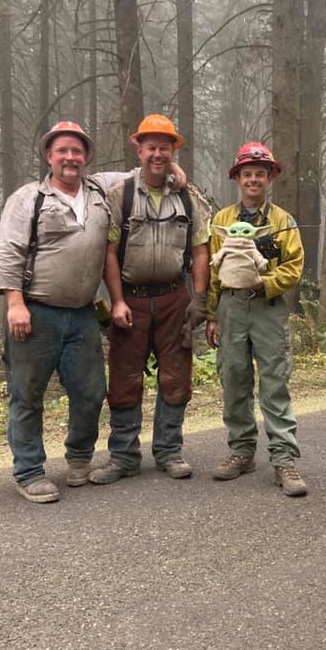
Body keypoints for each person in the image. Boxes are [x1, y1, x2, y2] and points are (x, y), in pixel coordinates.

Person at [0, 121, 135, 503]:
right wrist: (15, 304)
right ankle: (29, 471)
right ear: (48, 156)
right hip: (36, 313)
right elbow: (8, 252)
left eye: (77, 150)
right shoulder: (27, 198)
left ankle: (79, 458)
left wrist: (174, 170)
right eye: (62, 151)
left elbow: (143, 171)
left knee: (90, 391)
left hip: (83, 314)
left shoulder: (101, 190)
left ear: (86, 157)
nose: (71, 157)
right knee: (27, 394)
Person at [89, 114, 211, 484]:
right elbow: (109, 252)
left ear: (174, 151)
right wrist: (117, 301)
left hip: (175, 297)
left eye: (165, 147)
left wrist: (200, 300)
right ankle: (124, 456)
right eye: (151, 146)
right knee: (124, 379)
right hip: (132, 300)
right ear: (138, 149)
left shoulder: (189, 198)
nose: (157, 154)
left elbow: (201, 250)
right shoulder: (120, 195)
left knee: (177, 377)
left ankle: (169, 451)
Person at [206, 142, 307, 497]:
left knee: (274, 382)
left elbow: (294, 267)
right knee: (233, 378)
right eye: (247, 173)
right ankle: (241, 451)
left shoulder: (283, 221)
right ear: (237, 178)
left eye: (259, 174)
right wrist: (211, 315)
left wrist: (264, 282)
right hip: (230, 309)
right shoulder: (221, 221)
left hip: (267, 308)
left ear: (269, 178)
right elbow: (212, 272)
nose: (253, 180)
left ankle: (283, 459)